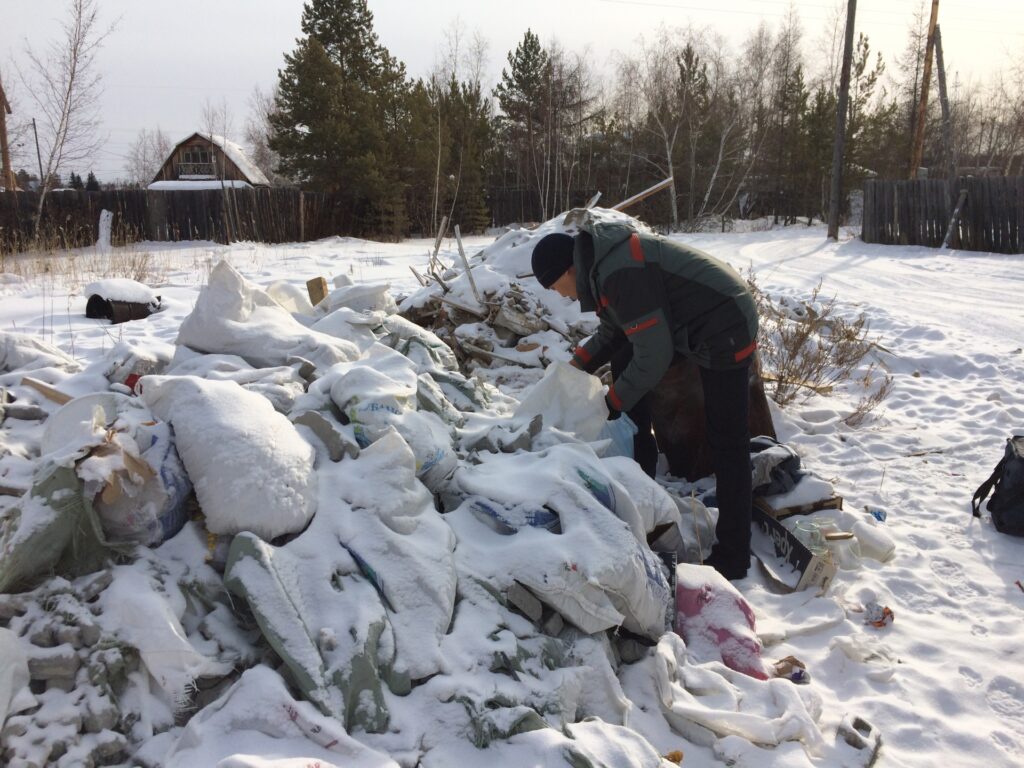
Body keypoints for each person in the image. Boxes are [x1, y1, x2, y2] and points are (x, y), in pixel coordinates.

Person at [530, 211, 759, 580]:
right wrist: (574, 367)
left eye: (556, 287)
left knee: (727, 439)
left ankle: (734, 554)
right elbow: (615, 331)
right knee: (623, 358)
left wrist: (611, 403)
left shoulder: (618, 272)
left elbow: (655, 354)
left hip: (725, 320)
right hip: (693, 319)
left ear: (568, 270)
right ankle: (640, 469)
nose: (561, 295)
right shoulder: (600, 267)